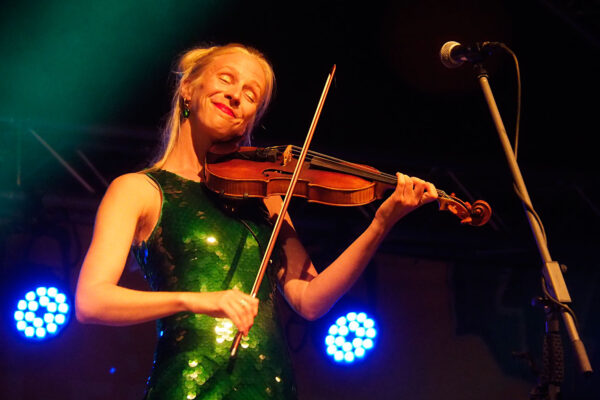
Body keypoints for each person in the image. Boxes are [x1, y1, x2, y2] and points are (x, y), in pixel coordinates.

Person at [75, 43, 438, 400]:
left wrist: (380, 224)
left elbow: (309, 299)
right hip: (190, 387)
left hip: (271, 386)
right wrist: (199, 301)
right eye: (226, 79)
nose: (236, 96)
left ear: (251, 117)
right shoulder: (139, 190)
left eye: (251, 95)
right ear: (189, 88)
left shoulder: (265, 196)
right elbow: (92, 301)